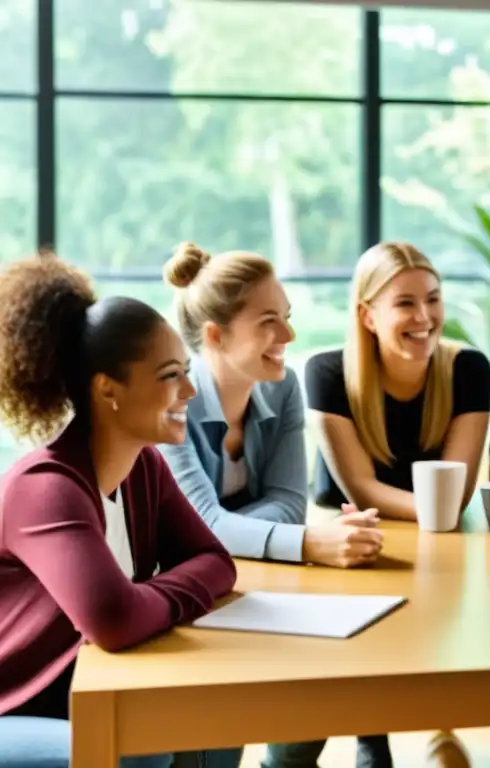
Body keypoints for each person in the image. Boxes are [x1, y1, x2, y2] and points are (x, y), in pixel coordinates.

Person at [305, 241, 490, 765]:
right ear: (367, 315)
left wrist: (440, 523)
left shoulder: (467, 368)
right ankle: (370, 732)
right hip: (354, 517)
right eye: (405, 303)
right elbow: (362, 488)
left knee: (486, 581)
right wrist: (436, 518)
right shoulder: (328, 372)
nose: (425, 317)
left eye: (434, 299)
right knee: (375, 599)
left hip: (440, 515)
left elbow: (461, 487)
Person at [0, 253, 238, 767]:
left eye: (187, 372)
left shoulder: (145, 468)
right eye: (170, 376)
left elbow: (217, 561)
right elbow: (113, 621)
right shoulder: (44, 487)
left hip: (87, 690)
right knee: (137, 749)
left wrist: (140, 600)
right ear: (108, 389)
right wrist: (139, 604)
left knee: (221, 718)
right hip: (16, 707)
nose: (190, 392)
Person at [157, 243, 383, 768]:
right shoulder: (172, 398)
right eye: (268, 322)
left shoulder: (282, 390)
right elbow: (206, 526)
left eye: (286, 318)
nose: (288, 337)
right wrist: (304, 543)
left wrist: (231, 532)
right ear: (215, 334)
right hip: (179, 602)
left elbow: (286, 504)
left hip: (245, 584)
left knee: (320, 682)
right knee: (215, 746)